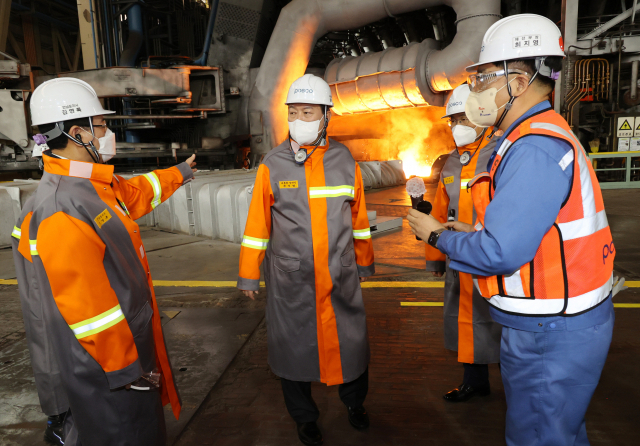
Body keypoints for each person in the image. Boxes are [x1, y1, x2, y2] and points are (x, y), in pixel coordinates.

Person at [408, 14, 615, 446]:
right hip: (562, 323)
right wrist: (469, 230)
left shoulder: (534, 147)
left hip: (550, 332)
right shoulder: (536, 135)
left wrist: (436, 236)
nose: (475, 90)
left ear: (518, 83)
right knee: (559, 432)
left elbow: (500, 251)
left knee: (538, 437)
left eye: (483, 77)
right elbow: (534, 231)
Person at [11, 77, 195, 445]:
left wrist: (181, 172)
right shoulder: (62, 207)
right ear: (78, 133)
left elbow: (138, 193)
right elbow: (90, 312)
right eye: (101, 126)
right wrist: (128, 370)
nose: (106, 133)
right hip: (111, 370)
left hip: (126, 356)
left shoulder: (92, 185)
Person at [238, 74, 375, 446]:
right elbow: (257, 225)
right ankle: (304, 418)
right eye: (293, 112)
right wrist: (249, 275)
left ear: (326, 116)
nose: (300, 118)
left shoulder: (344, 160)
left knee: (351, 344)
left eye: (308, 111)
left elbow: (359, 219)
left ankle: (355, 405)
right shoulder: (273, 164)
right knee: (293, 350)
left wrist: (363, 263)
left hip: (339, 275)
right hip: (291, 280)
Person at [425, 84, 501, 402]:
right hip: (459, 260)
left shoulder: (497, 155)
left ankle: (516, 384)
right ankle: (474, 380)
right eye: (453, 120)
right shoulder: (452, 164)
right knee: (466, 320)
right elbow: (439, 213)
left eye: (464, 119)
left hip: (491, 257)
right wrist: (434, 258)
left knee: (498, 321)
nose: (458, 127)